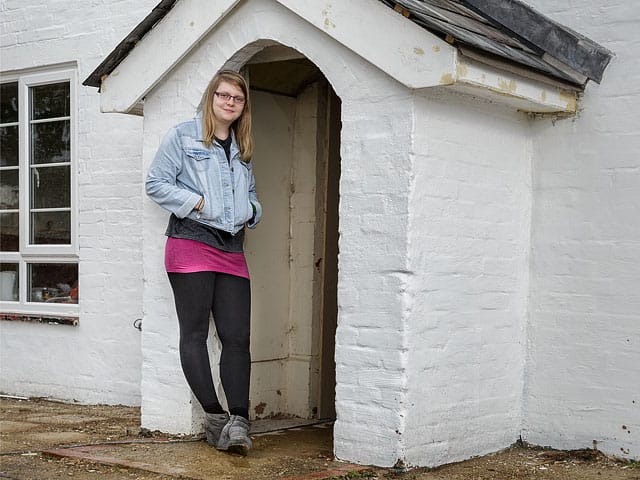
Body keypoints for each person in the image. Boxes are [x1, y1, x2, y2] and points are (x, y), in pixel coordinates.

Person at [145, 70, 262, 456]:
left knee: (237, 337)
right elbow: (156, 183)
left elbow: (250, 191)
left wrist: (254, 210)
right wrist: (193, 202)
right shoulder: (183, 136)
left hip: (231, 247)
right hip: (190, 243)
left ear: (243, 107)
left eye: (237, 98)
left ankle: (240, 421)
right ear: (210, 97)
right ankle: (214, 419)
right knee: (194, 334)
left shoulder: (243, 145)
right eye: (223, 95)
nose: (230, 102)